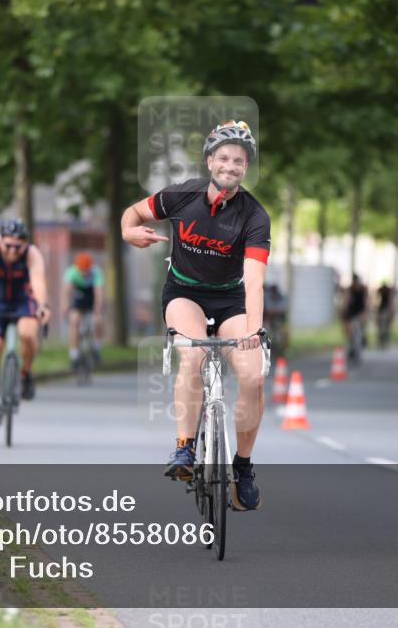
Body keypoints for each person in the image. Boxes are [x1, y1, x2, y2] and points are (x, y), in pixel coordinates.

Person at [120, 120, 270, 511]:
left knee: (254, 376)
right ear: (209, 161)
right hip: (184, 293)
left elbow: (254, 279)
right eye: (224, 157)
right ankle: (185, 448)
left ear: (246, 168)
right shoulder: (180, 195)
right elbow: (132, 214)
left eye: (239, 161)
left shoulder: (254, 215)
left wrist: (253, 330)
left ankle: (243, 467)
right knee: (194, 354)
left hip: (231, 299)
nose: (230, 166)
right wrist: (129, 232)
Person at [0, 218, 51, 426]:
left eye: (18, 247)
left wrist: (42, 306)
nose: (12, 251)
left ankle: (26, 372)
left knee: (28, 334)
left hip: (23, 301)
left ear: (25, 245)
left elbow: (38, 281)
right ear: (0, 242)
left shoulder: (32, 254)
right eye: (8, 246)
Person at [61, 251, 104, 369]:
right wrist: (65, 307)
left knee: (98, 321)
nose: (84, 272)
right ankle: (74, 355)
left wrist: (98, 307)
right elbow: (66, 292)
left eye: (86, 269)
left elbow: (99, 293)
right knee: (74, 321)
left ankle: (97, 348)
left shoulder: (96, 273)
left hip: (91, 296)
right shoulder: (71, 273)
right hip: (79, 297)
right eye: (82, 270)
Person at [340, 274, 368, 361]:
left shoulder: (363, 290)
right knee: (349, 331)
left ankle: (360, 344)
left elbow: (366, 302)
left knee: (359, 330)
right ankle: (351, 347)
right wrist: (343, 311)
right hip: (350, 312)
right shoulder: (349, 290)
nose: (356, 284)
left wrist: (365, 314)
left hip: (360, 312)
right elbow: (345, 302)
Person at [376, 280, 395, 349]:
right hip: (383, 309)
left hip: (386, 309)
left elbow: (391, 301)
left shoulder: (388, 291)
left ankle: (384, 341)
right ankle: (383, 341)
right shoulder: (382, 291)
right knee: (383, 327)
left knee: (386, 327)